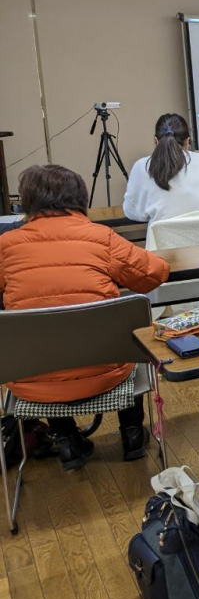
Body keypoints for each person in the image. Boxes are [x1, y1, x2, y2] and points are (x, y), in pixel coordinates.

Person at [0, 165, 169, 470]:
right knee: (126, 337)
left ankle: (67, 443)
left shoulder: (5, 245)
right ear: (80, 197)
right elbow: (154, 274)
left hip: (31, 382)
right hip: (107, 371)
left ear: (27, 201)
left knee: (46, 344)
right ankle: (132, 435)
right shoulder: (101, 238)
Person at [122, 113, 199, 224]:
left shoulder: (142, 166)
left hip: (164, 240)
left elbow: (132, 212)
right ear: (188, 141)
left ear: (156, 141)